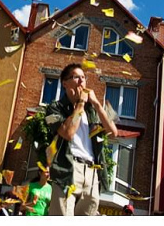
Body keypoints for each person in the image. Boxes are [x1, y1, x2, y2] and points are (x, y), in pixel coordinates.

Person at [45, 63, 118, 216]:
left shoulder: (92, 110)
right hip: (67, 169)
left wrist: (97, 104)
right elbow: (68, 133)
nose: (81, 81)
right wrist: (81, 103)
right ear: (65, 83)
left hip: (92, 172)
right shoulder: (54, 108)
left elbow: (113, 131)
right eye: (76, 77)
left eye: (84, 77)